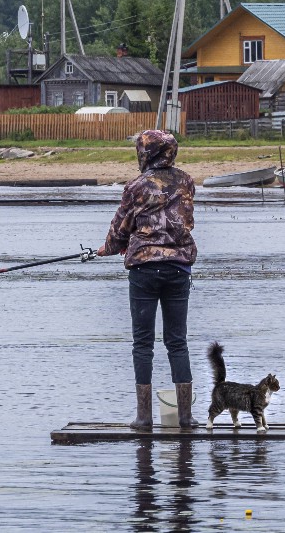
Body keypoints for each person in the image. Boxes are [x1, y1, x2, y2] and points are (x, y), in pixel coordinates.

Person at [98, 129, 198, 430]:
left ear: (147, 153)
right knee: (177, 342)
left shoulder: (136, 186)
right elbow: (183, 221)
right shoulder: (186, 181)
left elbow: (120, 227)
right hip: (178, 268)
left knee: (143, 343)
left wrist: (110, 247)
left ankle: (144, 417)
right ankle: (185, 417)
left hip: (144, 270)